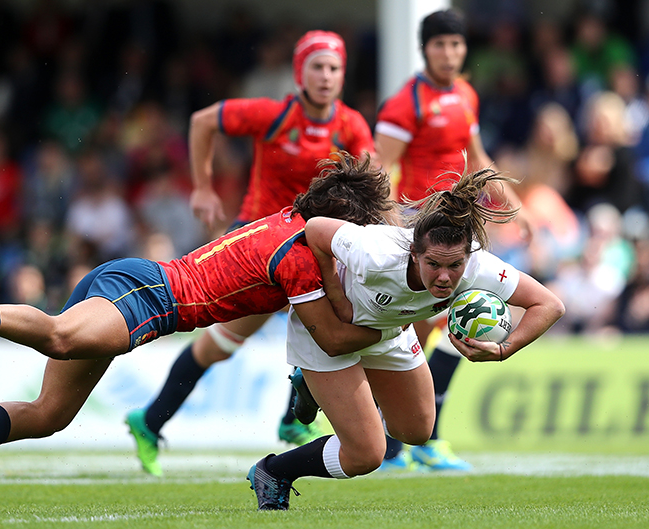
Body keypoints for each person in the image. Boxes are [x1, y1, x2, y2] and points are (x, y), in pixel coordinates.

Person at [0, 152, 394, 507]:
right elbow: (332, 337)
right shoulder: (299, 257)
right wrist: (398, 320)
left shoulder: (292, 226)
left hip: (136, 285)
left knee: (50, 414)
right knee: (61, 337)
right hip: (150, 294)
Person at [124, 29, 375, 477]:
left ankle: (284, 419)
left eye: (334, 68)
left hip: (310, 247)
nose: (326, 75)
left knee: (328, 322)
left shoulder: (350, 125)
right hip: (259, 245)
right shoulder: (274, 115)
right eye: (317, 66)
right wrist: (202, 187)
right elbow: (203, 121)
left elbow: (374, 182)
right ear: (300, 73)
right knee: (227, 342)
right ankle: (156, 420)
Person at [247, 166, 566, 511]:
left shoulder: (479, 266)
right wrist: (336, 295)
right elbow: (315, 229)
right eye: (434, 264)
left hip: (388, 332)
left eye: (455, 266)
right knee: (366, 455)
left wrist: (505, 349)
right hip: (333, 332)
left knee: (416, 431)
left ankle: (316, 388)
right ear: (414, 253)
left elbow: (549, 304)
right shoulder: (375, 253)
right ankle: (274, 471)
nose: (445, 277)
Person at [372, 8, 529, 471]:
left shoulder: (465, 94)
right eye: (440, 44)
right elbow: (380, 169)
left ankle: (415, 441)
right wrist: (390, 224)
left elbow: (476, 157)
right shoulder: (405, 103)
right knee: (415, 335)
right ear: (425, 49)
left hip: (458, 230)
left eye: (456, 44)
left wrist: (514, 205)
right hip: (420, 233)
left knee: (450, 326)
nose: (449, 52)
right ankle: (402, 440)